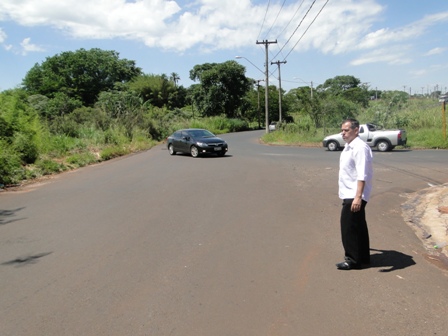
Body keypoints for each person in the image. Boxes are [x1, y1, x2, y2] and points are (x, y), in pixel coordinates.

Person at [336, 118, 373, 270]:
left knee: (348, 227)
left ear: (356, 130)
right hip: (350, 193)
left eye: (346, 130)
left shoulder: (359, 148)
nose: (343, 133)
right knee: (359, 226)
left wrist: (358, 197)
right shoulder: (349, 146)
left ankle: (352, 260)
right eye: (342, 130)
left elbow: (362, 174)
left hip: (354, 194)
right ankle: (363, 257)